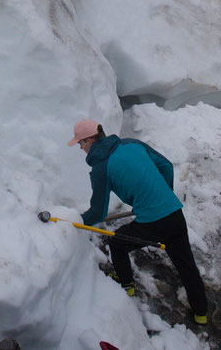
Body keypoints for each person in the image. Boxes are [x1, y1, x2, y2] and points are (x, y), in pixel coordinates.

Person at [68, 118, 209, 325]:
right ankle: (201, 313)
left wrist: (75, 221)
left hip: (152, 223)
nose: (80, 147)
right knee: (186, 265)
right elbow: (166, 166)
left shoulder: (100, 168)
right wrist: (161, 196)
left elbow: (98, 212)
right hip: (174, 213)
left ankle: (127, 285)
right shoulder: (131, 143)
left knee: (116, 244)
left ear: (89, 140)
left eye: (80, 143)